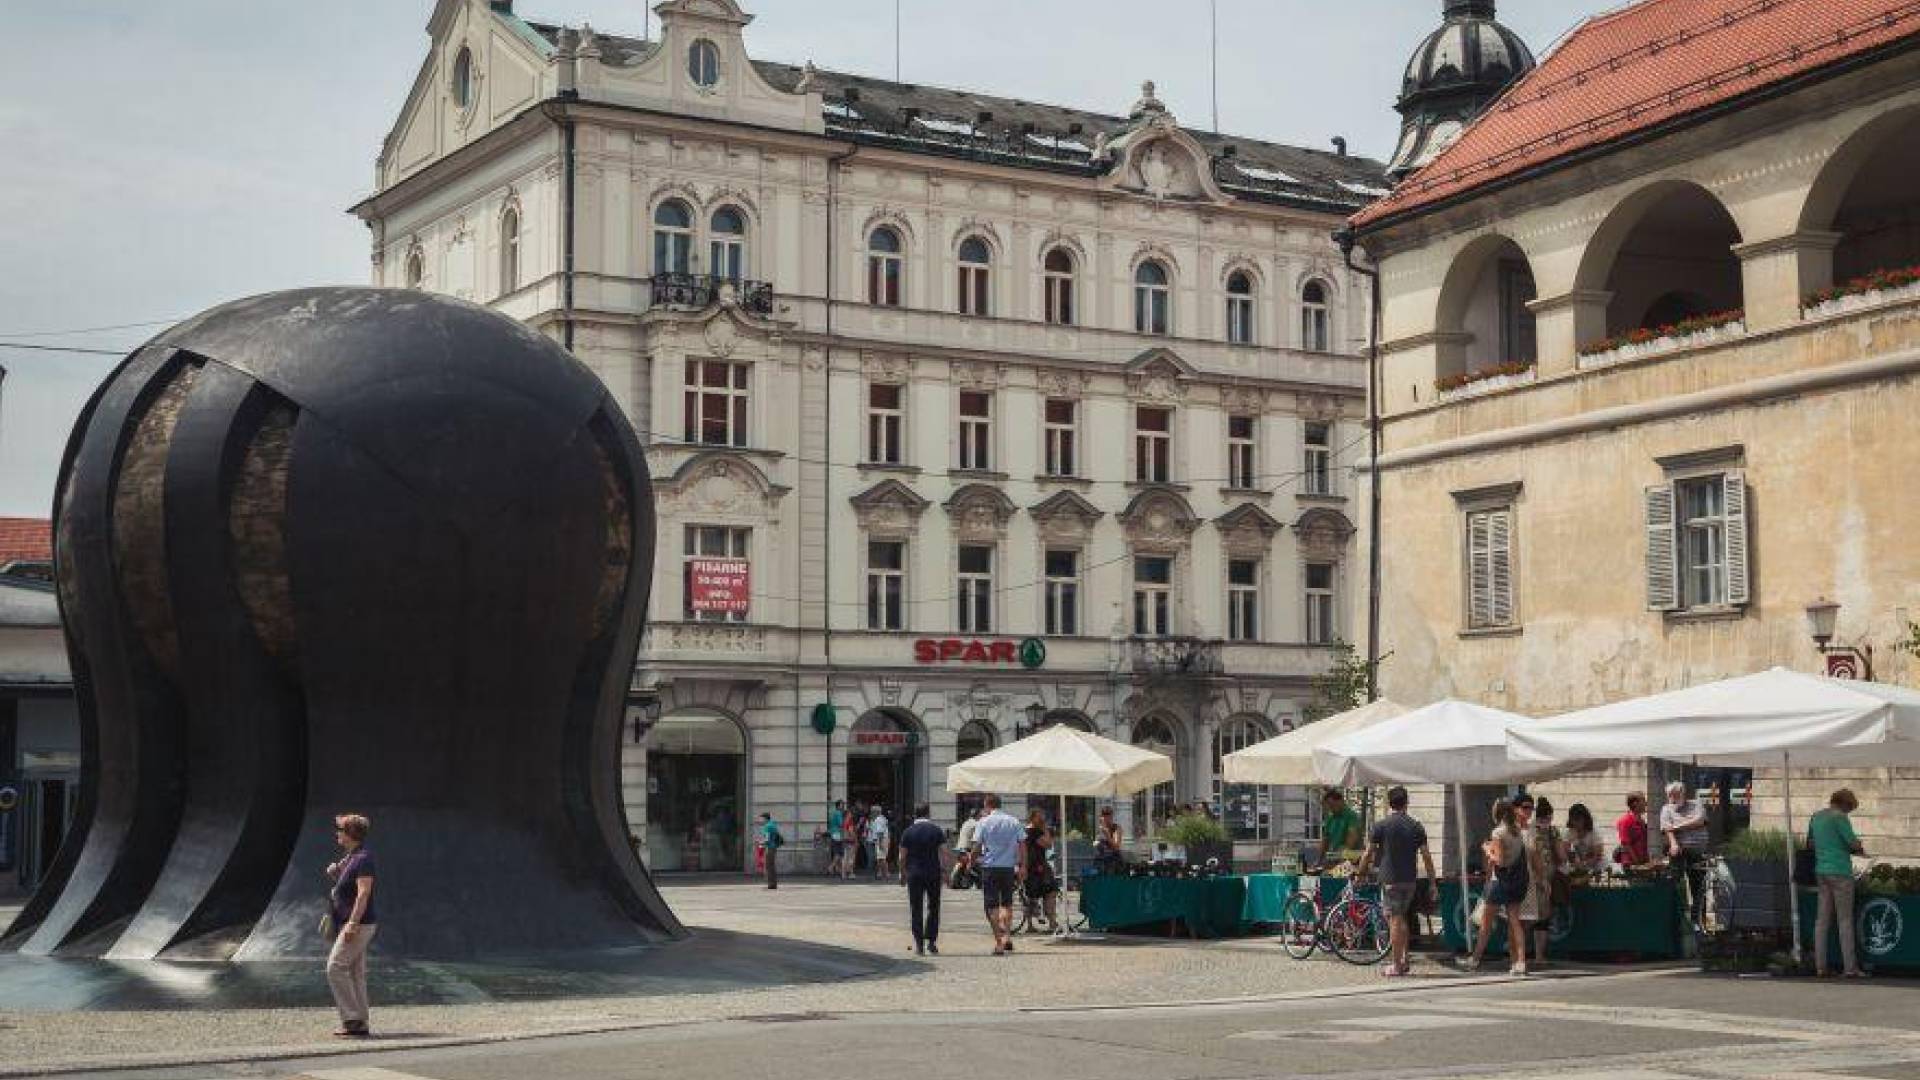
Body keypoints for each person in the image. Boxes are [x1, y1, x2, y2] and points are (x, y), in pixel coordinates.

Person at [1356, 786, 1435, 977]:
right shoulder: (1416, 826)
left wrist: (1360, 873)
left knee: (1395, 920)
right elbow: (1426, 855)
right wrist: (1432, 882)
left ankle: (1396, 965)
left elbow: (1368, 853)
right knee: (1402, 917)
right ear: (1406, 802)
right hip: (1410, 880)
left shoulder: (1381, 826)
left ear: (1389, 803)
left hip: (1390, 880)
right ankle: (1404, 959)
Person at [325, 813, 378, 1038]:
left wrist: (353, 924)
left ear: (351, 834)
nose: (337, 833)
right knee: (356, 973)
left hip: (358, 924)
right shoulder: (353, 857)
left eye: (340, 830)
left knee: (335, 967)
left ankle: (352, 1020)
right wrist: (336, 875)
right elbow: (347, 889)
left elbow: (363, 893)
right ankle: (360, 1022)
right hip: (354, 923)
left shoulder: (363, 858)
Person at [1467, 797, 1530, 976]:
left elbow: (1500, 861)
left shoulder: (1498, 833)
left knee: (1485, 923)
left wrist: (1487, 850)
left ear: (1497, 813)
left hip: (1500, 882)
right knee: (1515, 921)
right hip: (1516, 881)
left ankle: (1475, 959)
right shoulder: (1517, 831)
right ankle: (1521, 961)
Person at [1809, 788, 1867, 978]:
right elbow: (1853, 843)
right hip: (1840, 871)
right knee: (1844, 920)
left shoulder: (1816, 817)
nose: (1848, 812)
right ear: (1844, 804)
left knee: (1822, 921)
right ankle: (1850, 968)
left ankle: (1820, 966)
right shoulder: (1839, 818)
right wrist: (1859, 847)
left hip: (1821, 870)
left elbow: (1811, 844)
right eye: (1849, 808)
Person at [973, 794, 1026, 956]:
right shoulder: (1014, 821)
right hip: (1008, 867)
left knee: (992, 906)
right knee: (1007, 904)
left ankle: (999, 943)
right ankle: (1007, 937)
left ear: (987, 805)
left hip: (990, 868)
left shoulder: (983, 822)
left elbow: (977, 846)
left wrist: (971, 860)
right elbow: (1022, 844)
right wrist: (1023, 865)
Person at [1660, 781, 1711, 928]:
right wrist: (1674, 843)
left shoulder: (1697, 804)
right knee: (1676, 884)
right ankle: (1677, 920)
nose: (1671, 798)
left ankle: (1698, 921)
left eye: (1674, 795)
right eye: (1669, 795)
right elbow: (1667, 829)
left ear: (1682, 794)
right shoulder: (1666, 809)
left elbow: (1700, 820)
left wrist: (1677, 826)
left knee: (1698, 886)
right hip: (1679, 851)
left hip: (1698, 851)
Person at [898, 804, 946, 956]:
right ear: (928, 813)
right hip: (933, 872)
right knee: (934, 907)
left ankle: (919, 944)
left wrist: (902, 873)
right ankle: (931, 941)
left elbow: (902, 856)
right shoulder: (936, 830)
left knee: (916, 908)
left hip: (914, 874)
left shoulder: (908, 832)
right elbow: (943, 853)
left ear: (915, 814)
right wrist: (945, 872)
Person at [1525, 796, 1567, 966]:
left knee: (1524, 915)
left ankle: (1518, 952)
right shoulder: (1552, 831)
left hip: (1526, 877)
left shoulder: (1527, 829)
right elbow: (1562, 856)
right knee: (1542, 918)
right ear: (1550, 815)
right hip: (1544, 879)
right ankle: (1539, 956)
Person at [1023, 809, 1059, 928]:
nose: (1042, 820)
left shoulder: (1025, 830)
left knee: (1030, 896)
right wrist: (1045, 830)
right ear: (1032, 818)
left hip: (1029, 866)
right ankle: (1052, 922)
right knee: (1050, 892)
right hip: (1039, 867)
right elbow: (1048, 844)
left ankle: (1030, 925)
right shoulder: (1034, 831)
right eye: (1039, 817)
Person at [1318, 789, 1362, 867]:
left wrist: (1343, 857)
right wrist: (1319, 860)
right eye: (1328, 806)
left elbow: (1352, 836)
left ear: (1340, 801)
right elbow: (1325, 840)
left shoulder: (1351, 816)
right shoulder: (1331, 818)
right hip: (1336, 857)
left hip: (1352, 858)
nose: (1330, 808)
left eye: (1332, 805)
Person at [1566, 803, 1605, 874]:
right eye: (1573, 820)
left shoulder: (1594, 832)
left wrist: (1585, 863)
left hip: (1595, 864)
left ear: (1585, 819)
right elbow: (1565, 850)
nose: (1576, 823)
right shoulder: (1570, 832)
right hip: (1579, 864)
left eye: (1578, 820)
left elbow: (1598, 854)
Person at [1615, 792, 1650, 867]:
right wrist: (1636, 862)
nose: (1646, 804)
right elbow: (1626, 844)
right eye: (1643, 801)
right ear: (1635, 803)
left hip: (1642, 861)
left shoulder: (1642, 821)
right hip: (1631, 863)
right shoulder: (1625, 820)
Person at [757, 811, 784, 889]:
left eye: (761, 819)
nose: (760, 820)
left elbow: (767, 839)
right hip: (773, 847)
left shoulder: (767, 826)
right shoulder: (772, 825)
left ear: (765, 818)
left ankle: (771, 884)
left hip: (769, 848)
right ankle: (773, 883)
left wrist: (760, 842)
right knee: (772, 866)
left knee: (768, 866)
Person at [1094, 806, 1125, 872]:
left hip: (1113, 861)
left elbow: (1116, 847)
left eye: (1108, 816)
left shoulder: (1116, 828)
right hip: (1101, 860)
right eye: (1104, 816)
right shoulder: (1100, 829)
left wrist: (1107, 834)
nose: (1106, 818)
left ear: (1111, 817)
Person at [865, 805, 891, 880]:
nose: (871, 813)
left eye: (872, 812)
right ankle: (881, 874)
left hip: (881, 840)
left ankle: (886, 874)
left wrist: (880, 843)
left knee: (882, 858)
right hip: (883, 839)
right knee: (880, 858)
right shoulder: (882, 818)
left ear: (876, 812)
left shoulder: (878, 820)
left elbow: (880, 833)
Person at [826, 800, 847, 878]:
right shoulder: (838, 813)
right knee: (840, 853)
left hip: (833, 834)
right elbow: (841, 824)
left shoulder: (833, 813)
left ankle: (839, 871)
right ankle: (831, 868)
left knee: (838, 853)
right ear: (838, 806)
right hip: (838, 834)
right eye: (842, 805)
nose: (843, 806)